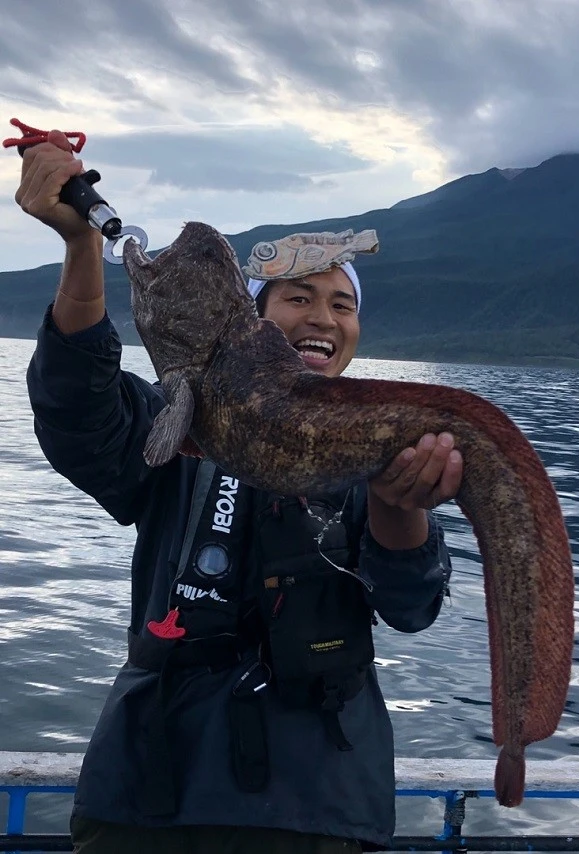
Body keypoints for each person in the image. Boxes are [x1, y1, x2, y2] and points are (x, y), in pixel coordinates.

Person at [15, 130, 464, 854]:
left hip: (318, 801)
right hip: (152, 789)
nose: (323, 317)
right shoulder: (177, 421)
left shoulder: (376, 444)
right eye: (298, 296)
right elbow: (77, 411)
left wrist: (396, 501)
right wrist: (79, 249)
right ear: (250, 315)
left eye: (343, 305)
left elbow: (411, 607)